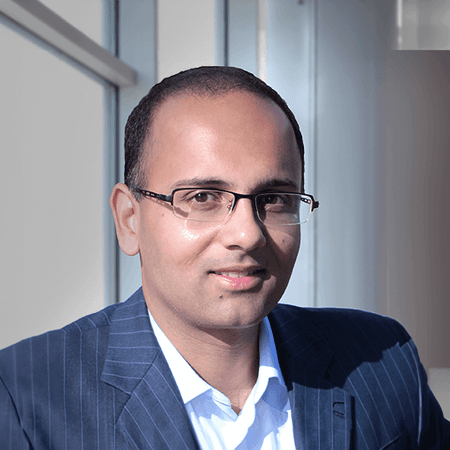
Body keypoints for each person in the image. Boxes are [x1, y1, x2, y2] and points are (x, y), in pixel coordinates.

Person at [0, 66, 448, 449]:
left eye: (274, 198)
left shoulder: (381, 361)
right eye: (202, 197)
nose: (247, 234)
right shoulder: (25, 398)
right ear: (129, 219)